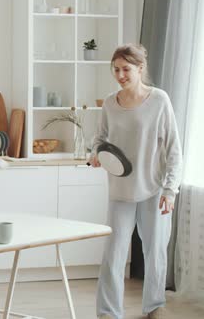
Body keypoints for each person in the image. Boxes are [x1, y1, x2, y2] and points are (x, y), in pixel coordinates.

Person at [89, 44, 183, 319]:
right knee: (113, 256)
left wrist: (170, 190)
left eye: (126, 69)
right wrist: (96, 154)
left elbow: (174, 150)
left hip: (153, 190)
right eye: (116, 69)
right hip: (120, 192)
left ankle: (154, 307)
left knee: (155, 253)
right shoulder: (109, 103)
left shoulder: (159, 100)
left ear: (140, 68)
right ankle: (108, 312)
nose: (120, 75)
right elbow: (99, 140)